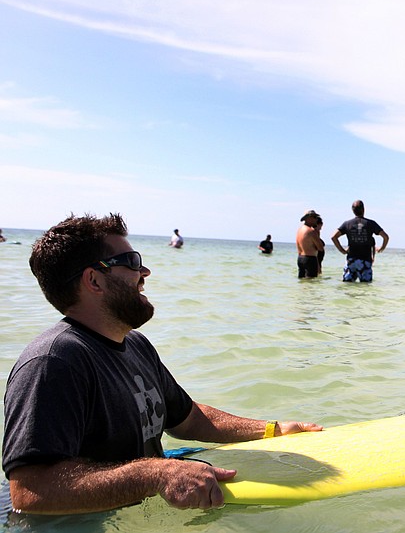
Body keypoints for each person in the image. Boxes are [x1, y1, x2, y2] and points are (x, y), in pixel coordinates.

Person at [2, 213, 322, 514]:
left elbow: (189, 419)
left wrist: (270, 430)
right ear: (94, 281)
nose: (145, 273)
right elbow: (29, 492)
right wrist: (157, 474)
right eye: (132, 262)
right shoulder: (53, 361)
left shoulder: (135, 346)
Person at [331, 200, 389, 282]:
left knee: (348, 286)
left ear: (353, 210)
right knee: (365, 288)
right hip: (365, 260)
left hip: (351, 260)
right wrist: (382, 248)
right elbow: (385, 237)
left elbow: (334, 237)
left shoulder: (347, 224)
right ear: (363, 209)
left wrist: (342, 250)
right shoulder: (371, 223)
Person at [296, 210, 324, 279]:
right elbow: (320, 248)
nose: (316, 219)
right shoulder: (311, 231)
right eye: (315, 217)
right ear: (309, 218)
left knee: (302, 282)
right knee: (311, 283)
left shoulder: (299, 230)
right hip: (310, 259)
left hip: (300, 259)